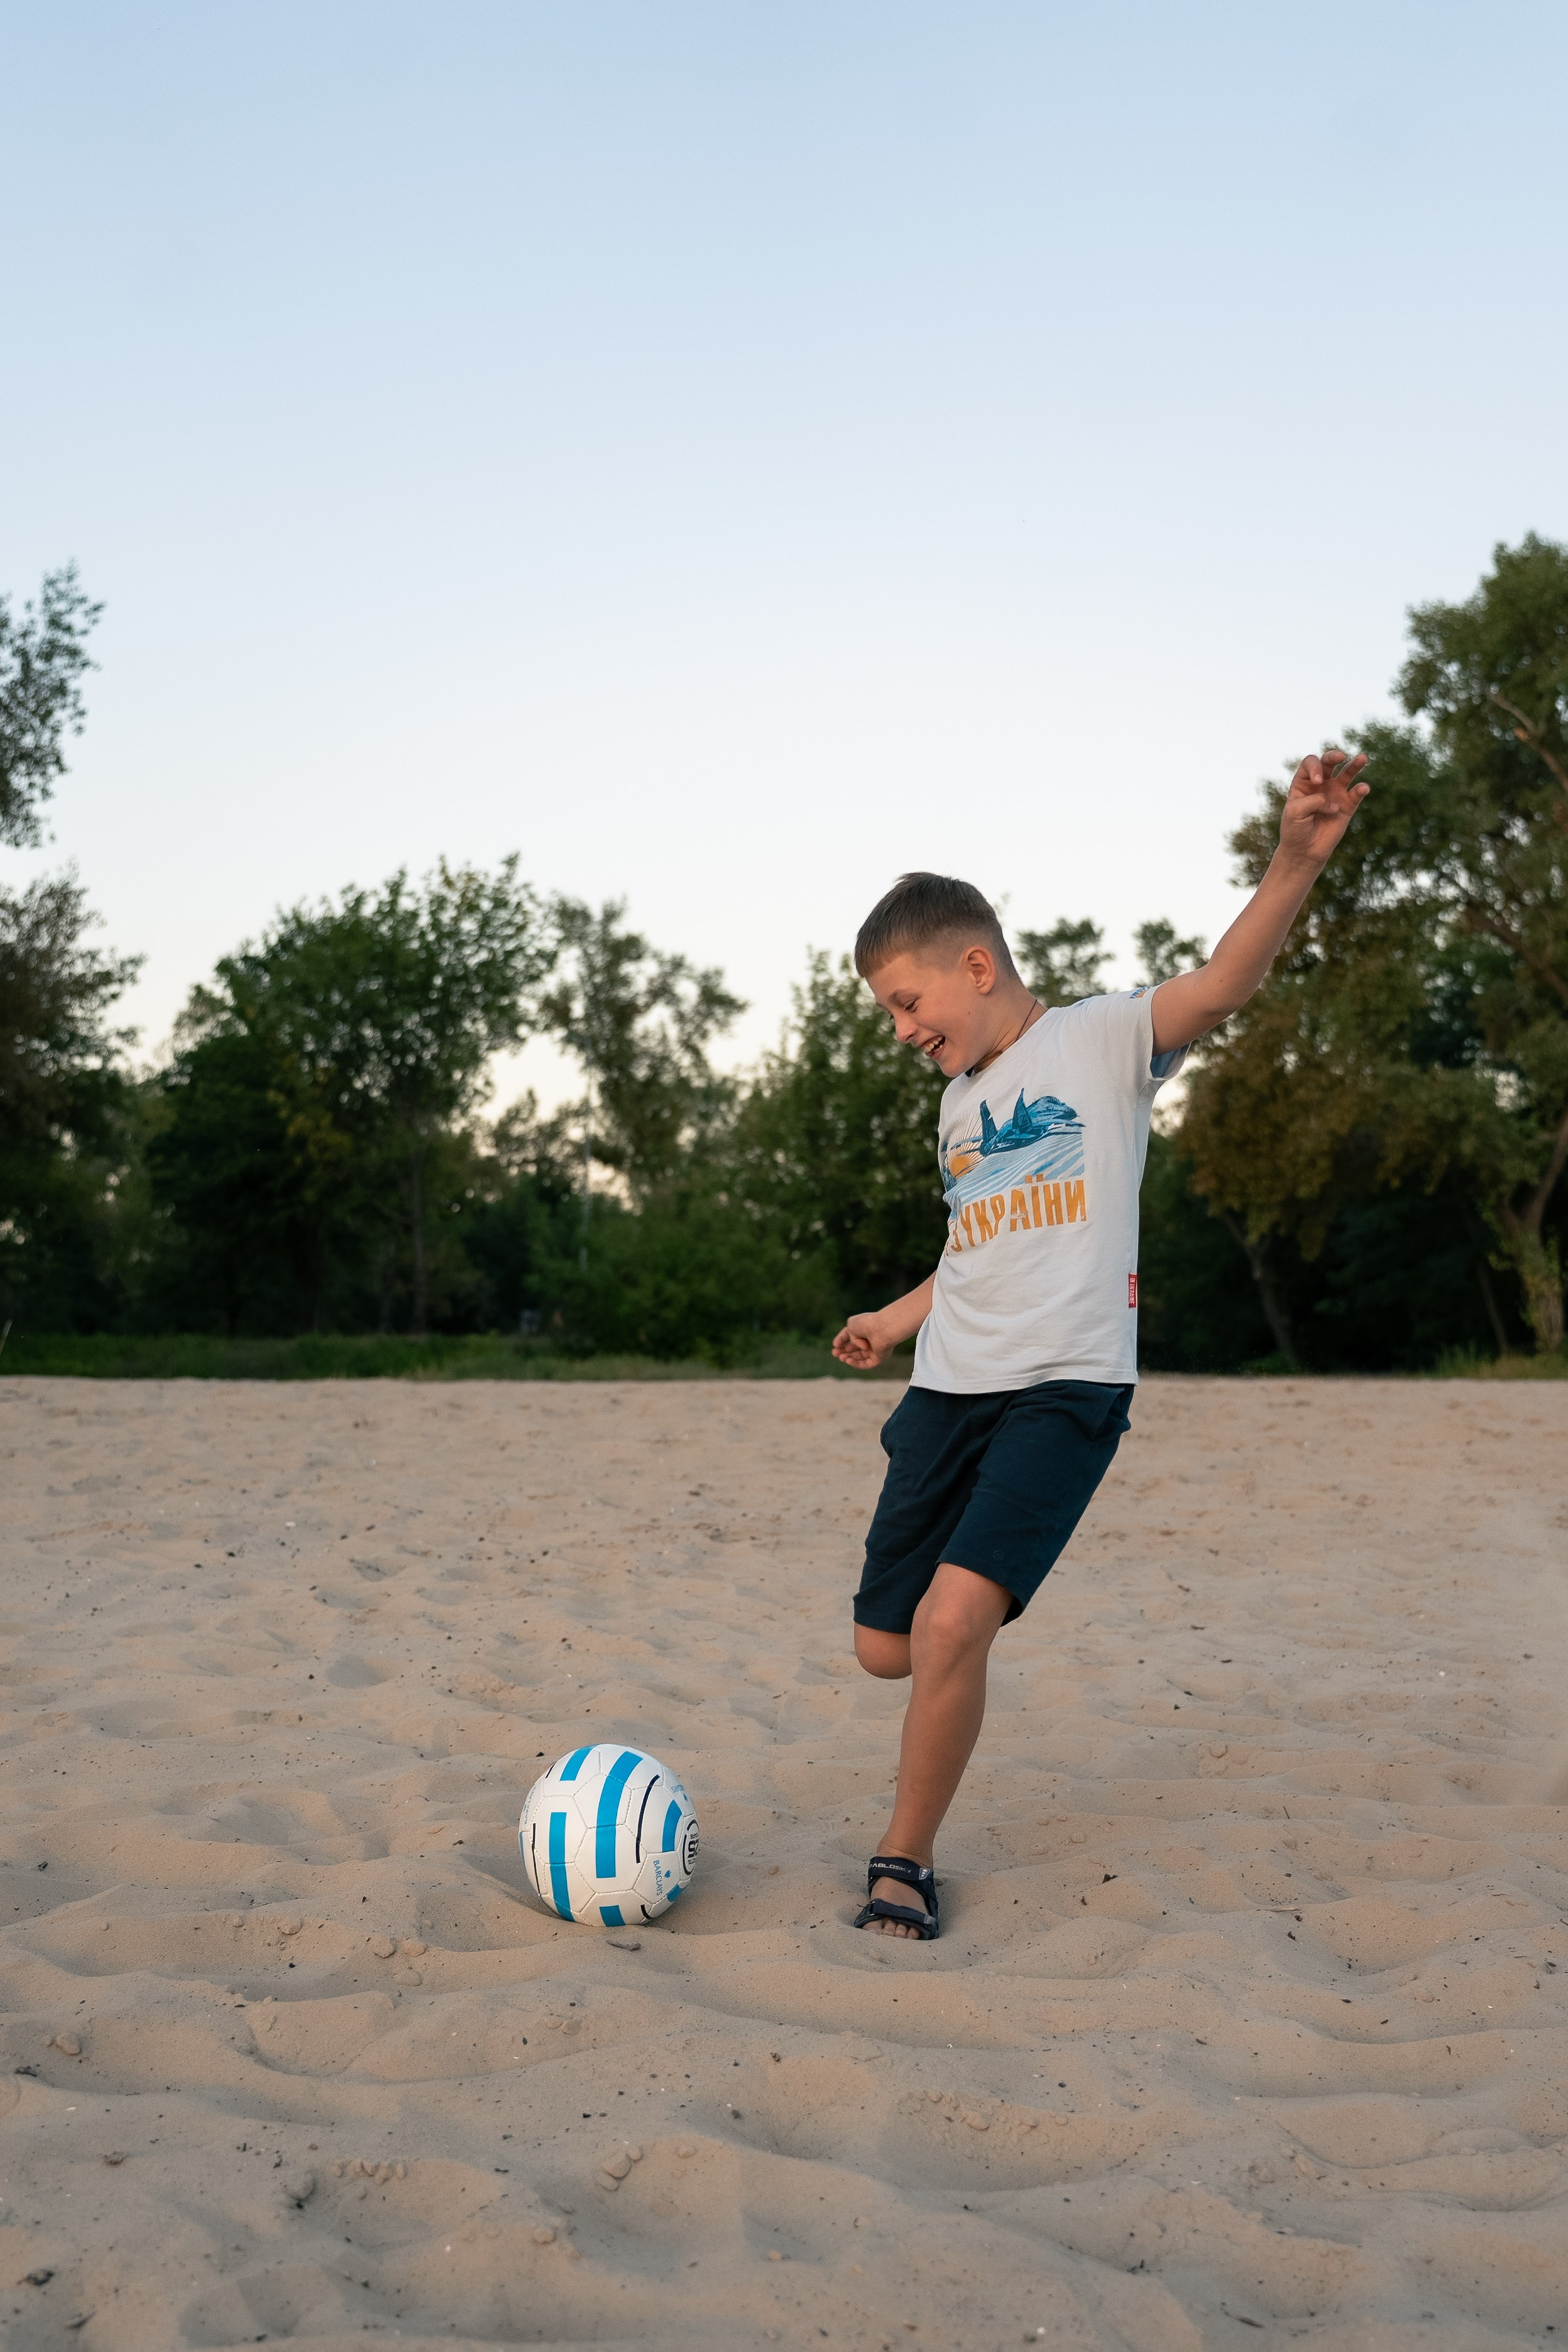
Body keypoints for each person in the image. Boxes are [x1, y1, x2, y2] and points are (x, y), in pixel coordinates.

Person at [832, 749, 1369, 1937]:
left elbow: (1225, 984)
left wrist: (1294, 859)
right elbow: (978, 1241)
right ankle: (934, 1703)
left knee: (954, 1624)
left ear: (976, 965)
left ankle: (903, 1860)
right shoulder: (957, 1105)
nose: (904, 1029)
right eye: (890, 1014)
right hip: (947, 1391)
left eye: (908, 1003)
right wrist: (893, 1316)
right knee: (886, 1650)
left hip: (1064, 1392)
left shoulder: (1103, 1041)